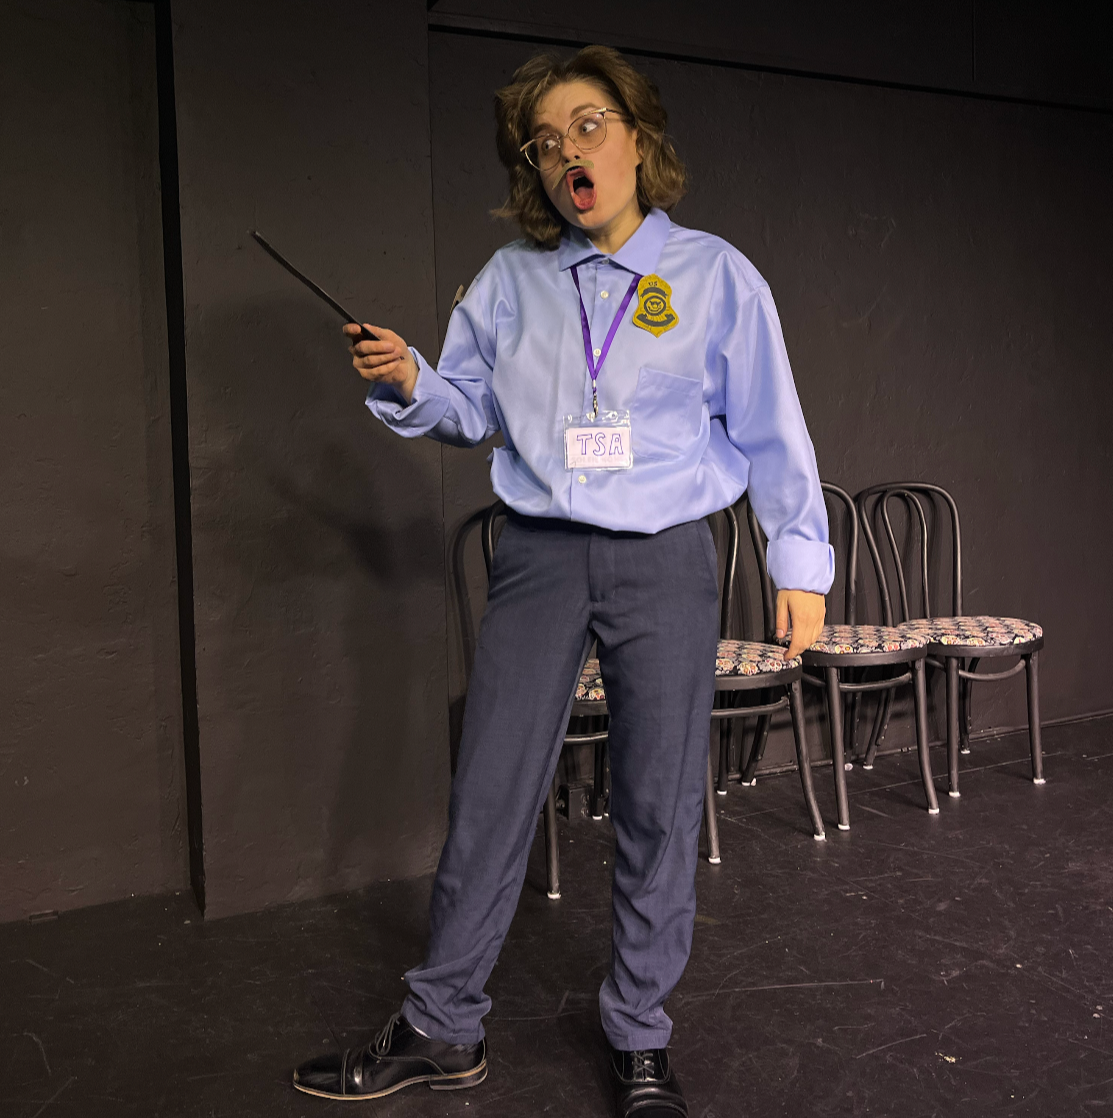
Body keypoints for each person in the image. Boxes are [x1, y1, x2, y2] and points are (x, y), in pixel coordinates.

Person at [293, 44, 832, 1117]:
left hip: (666, 559)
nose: (565, 153)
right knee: (491, 788)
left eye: (586, 125)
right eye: (543, 144)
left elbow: (772, 427)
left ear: (636, 137)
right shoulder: (507, 283)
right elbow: (471, 410)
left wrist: (798, 561)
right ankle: (442, 1024)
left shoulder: (715, 276)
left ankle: (637, 1033)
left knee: (655, 799)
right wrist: (412, 379)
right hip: (537, 554)